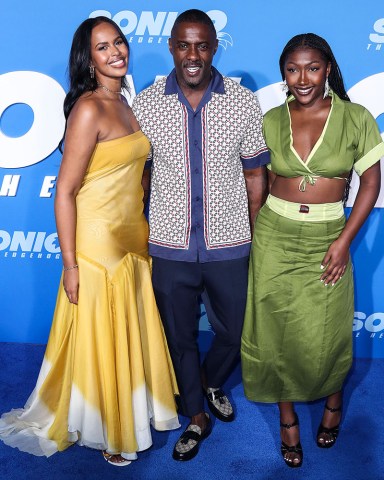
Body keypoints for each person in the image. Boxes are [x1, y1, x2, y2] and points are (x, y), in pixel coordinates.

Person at [0, 16, 180, 466]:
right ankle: (109, 429)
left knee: (126, 332)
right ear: (89, 58)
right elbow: (65, 190)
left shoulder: (130, 104)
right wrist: (71, 264)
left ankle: (130, 415)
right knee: (102, 335)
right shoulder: (88, 108)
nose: (115, 52)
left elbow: (137, 174)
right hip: (98, 243)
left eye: (118, 42)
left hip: (135, 236)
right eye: (102, 47)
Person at [241, 33, 384, 468]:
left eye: (312, 68)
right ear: (284, 73)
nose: (302, 78)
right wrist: (255, 238)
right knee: (275, 330)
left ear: (327, 70)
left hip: (327, 237)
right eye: (292, 69)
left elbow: (372, 182)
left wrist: (344, 242)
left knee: (327, 331)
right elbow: (258, 187)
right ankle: (287, 422)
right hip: (275, 233)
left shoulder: (355, 117)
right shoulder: (269, 119)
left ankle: (333, 404)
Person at [132, 9, 269, 461]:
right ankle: (195, 414)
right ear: (172, 46)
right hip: (169, 244)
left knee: (233, 331)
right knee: (179, 334)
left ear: (215, 47)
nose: (193, 55)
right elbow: (141, 174)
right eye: (184, 45)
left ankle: (208, 382)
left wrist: (249, 230)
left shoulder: (243, 102)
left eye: (203, 45)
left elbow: (255, 176)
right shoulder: (148, 104)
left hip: (229, 241)